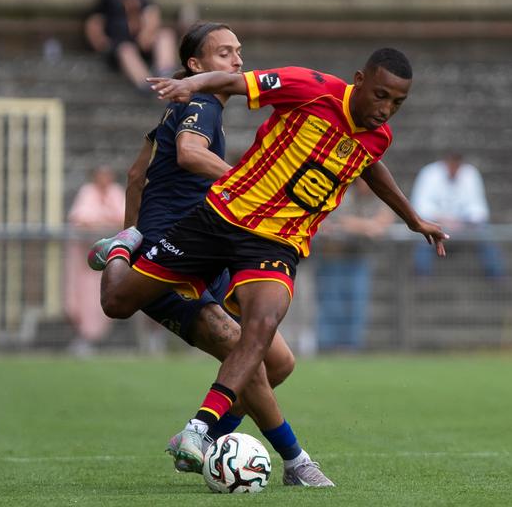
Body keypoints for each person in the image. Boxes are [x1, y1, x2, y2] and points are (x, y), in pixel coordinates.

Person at [91, 48, 448, 474]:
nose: (386, 109)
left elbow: (371, 164)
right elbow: (236, 84)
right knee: (117, 301)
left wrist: (413, 219)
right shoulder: (312, 88)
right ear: (359, 79)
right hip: (222, 215)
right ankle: (122, 245)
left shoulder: (377, 136)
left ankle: (202, 430)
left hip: (277, 244)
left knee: (263, 327)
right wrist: (191, 84)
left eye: (397, 103)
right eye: (381, 96)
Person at [89, 22, 333, 486]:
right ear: (196, 67)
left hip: (210, 246)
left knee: (278, 361)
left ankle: (202, 438)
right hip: (177, 254)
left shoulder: (182, 107)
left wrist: (132, 225)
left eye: (239, 51)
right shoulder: (201, 103)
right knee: (243, 351)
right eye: (224, 54)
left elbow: (136, 172)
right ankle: (296, 461)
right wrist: (244, 181)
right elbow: (188, 153)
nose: (238, 61)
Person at [314, 179, 393, 351]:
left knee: (356, 304)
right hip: (333, 259)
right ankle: (327, 346)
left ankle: (351, 346)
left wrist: (366, 225)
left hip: (358, 259)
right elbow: (339, 221)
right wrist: (367, 226)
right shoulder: (344, 194)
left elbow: (386, 218)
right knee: (331, 303)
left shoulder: (376, 197)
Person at [84, 0, 177, 91]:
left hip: (142, 42)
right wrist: (101, 42)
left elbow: (152, 14)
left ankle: (165, 73)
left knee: (165, 35)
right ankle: (146, 84)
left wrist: (148, 32)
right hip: (120, 45)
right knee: (126, 50)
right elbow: (94, 22)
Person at [410, 153, 503, 279]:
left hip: (464, 224)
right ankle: (422, 277)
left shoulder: (470, 174)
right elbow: (420, 206)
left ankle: (495, 276)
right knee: (424, 236)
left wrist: (462, 221)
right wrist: (443, 220)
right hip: (435, 223)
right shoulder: (429, 173)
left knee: (485, 233)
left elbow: (479, 209)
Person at [65, 166, 126, 355]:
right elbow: (82, 220)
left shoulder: (115, 192)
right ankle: (86, 339)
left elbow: (123, 219)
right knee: (81, 298)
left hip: (109, 262)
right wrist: (104, 223)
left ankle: (97, 340)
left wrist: (103, 223)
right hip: (85, 262)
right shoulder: (88, 192)